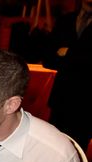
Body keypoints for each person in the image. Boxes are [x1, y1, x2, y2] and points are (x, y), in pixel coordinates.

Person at [43, 0, 92, 151]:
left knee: (76, 155)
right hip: (61, 100)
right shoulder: (66, 20)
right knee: (51, 151)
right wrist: (81, 57)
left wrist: (68, 53)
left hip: (87, 103)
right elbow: (48, 59)